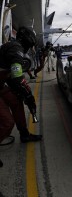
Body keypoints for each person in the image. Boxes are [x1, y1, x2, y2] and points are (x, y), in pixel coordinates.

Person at [0, 26, 42, 165]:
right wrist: (28, 94)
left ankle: (24, 134)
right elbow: (18, 77)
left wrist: (23, 93)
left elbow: (11, 75)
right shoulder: (16, 49)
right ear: (27, 41)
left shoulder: (13, 46)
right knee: (7, 123)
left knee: (17, 101)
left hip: (1, 84)